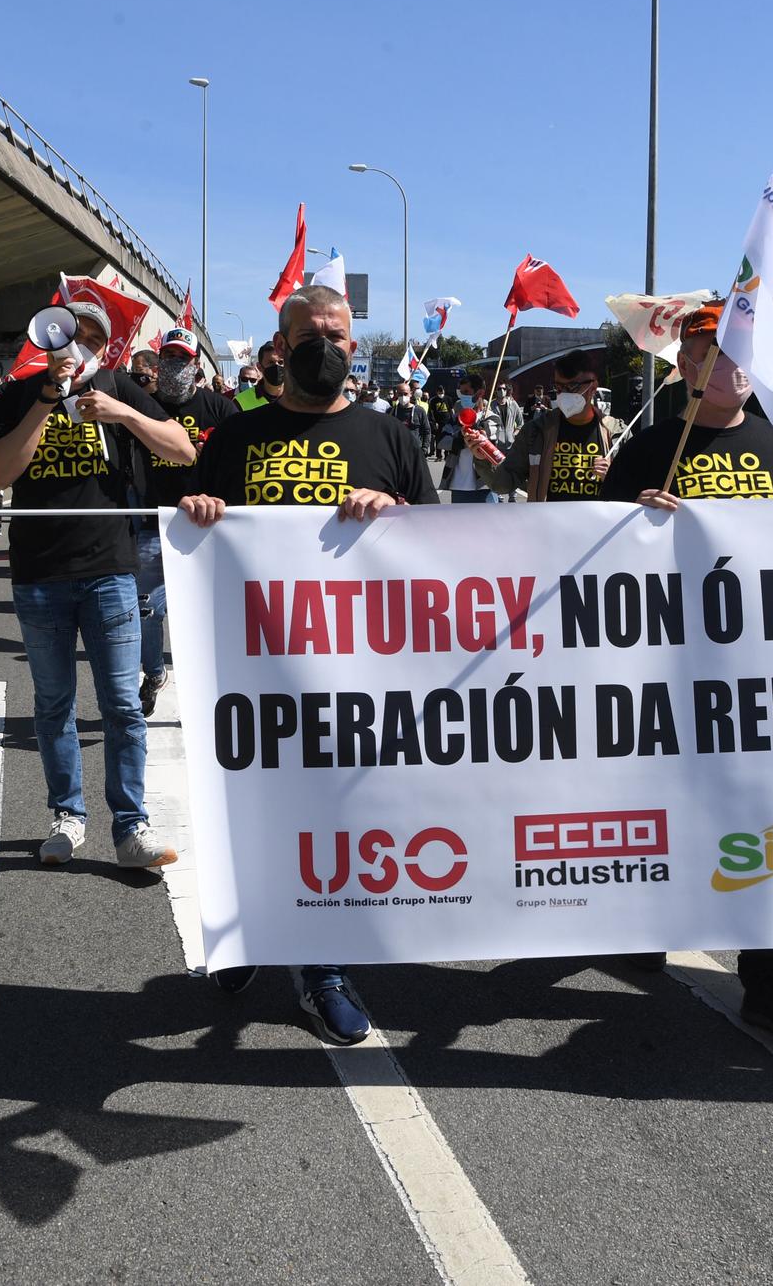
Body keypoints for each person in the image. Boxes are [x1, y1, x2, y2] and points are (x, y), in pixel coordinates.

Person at [600, 301, 773, 1039]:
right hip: (669, 673)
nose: (732, 364)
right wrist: (632, 517)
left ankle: (768, 982)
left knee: (769, 824)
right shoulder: (653, 447)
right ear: (685, 368)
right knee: (672, 812)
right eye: (715, 352)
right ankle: (649, 917)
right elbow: (590, 549)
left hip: (767, 680)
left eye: (741, 351)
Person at [177, 283, 437, 1046]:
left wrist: (397, 519)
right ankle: (244, 933)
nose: (327, 344)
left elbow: (441, 548)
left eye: (340, 334)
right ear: (280, 347)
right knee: (243, 811)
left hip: (354, 675)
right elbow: (196, 548)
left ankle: (322, 969)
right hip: (251, 668)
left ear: (356, 347)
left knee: (332, 818)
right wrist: (199, 515)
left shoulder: (391, 439)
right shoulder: (232, 440)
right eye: (310, 334)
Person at [0, 299, 195, 869]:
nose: (81, 346)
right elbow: (0, 473)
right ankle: (67, 816)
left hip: (110, 570)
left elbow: (183, 449)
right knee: (53, 704)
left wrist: (122, 415)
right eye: (71, 335)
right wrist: (47, 401)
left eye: (93, 337)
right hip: (39, 574)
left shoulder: (118, 387)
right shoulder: (15, 393)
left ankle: (131, 827)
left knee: (123, 706)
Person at [129, 333, 238, 714]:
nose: (176, 363)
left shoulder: (220, 409)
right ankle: (154, 671)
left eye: (183, 357)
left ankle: (210, 687)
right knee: (145, 606)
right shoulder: (144, 406)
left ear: (197, 366)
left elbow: (242, 463)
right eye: (169, 356)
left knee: (207, 612)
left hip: (208, 526)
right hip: (154, 521)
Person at [484, 353, 613, 503]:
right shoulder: (535, 431)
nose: (564, 394)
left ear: (593, 388)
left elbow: (635, 491)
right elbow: (503, 484)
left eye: (572, 387)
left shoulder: (615, 433)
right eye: (559, 387)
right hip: (546, 524)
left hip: (599, 525)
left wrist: (613, 477)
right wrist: (482, 456)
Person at [437, 373, 501, 504]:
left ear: (480, 393)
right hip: (457, 485)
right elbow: (442, 441)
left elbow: (486, 437)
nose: (462, 396)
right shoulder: (455, 419)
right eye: (460, 393)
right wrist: (463, 439)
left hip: (484, 484)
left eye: (466, 392)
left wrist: (462, 438)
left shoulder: (491, 418)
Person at [235, 342, 283, 411]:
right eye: (270, 363)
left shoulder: (299, 399)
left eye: (281, 362)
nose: (276, 366)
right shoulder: (240, 402)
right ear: (259, 367)